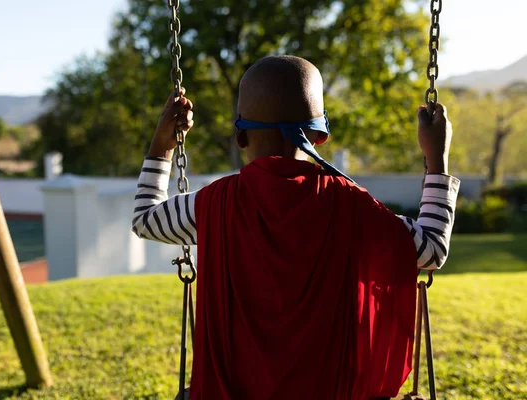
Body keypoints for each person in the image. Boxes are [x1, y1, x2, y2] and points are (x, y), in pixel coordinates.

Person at [132, 56, 460, 399]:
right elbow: (432, 248)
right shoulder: (353, 206)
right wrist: (436, 160)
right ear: (320, 135)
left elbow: (145, 219)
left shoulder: (213, 204)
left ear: (241, 137)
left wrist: (162, 147)